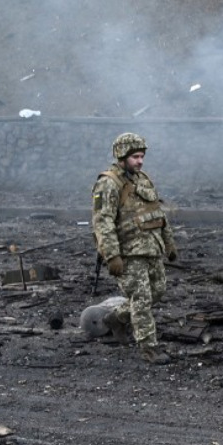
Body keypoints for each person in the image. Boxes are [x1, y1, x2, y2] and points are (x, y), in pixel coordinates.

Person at [91, 132, 177, 365]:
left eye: (142, 156)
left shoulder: (143, 178)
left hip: (152, 248)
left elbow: (157, 213)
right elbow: (103, 222)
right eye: (135, 157)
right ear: (121, 156)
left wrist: (168, 242)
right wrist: (112, 256)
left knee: (156, 293)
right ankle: (149, 348)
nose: (140, 161)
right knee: (141, 300)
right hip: (129, 253)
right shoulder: (108, 183)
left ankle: (116, 318)